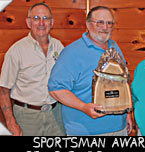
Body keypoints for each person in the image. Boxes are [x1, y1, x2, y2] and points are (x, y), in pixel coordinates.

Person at [48, 6, 132, 136]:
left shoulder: (115, 47)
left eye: (109, 23)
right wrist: (84, 107)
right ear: (88, 24)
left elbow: (122, 83)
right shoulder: (72, 52)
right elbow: (55, 89)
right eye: (100, 22)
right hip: (86, 131)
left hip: (119, 129)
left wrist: (127, 114)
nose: (105, 27)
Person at [0, 2, 65, 136]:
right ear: (28, 22)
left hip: (56, 114)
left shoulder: (59, 47)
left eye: (46, 18)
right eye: (36, 18)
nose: (41, 23)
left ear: (52, 22)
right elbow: (3, 89)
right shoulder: (16, 50)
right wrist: (10, 122)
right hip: (26, 116)